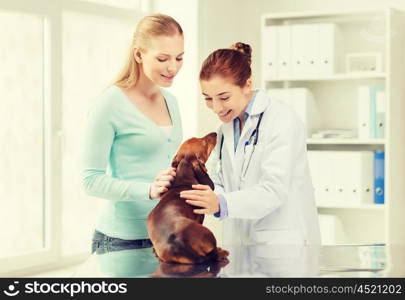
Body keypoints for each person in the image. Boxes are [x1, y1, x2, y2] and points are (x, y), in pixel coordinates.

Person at [180, 42, 321, 246]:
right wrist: (192, 189)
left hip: (281, 245)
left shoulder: (281, 120)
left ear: (247, 85)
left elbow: (273, 190)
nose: (216, 108)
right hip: (238, 243)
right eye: (208, 99)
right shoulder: (225, 129)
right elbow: (218, 181)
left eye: (224, 97)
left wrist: (220, 203)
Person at [82, 14, 184, 254]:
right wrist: (147, 190)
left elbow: (165, 164)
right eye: (163, 58)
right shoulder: (109, 104)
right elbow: (90, 181)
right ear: (138, 54)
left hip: (167, 237)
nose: (173, 67)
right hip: (121, 241)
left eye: (179, 58)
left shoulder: (171, 102)